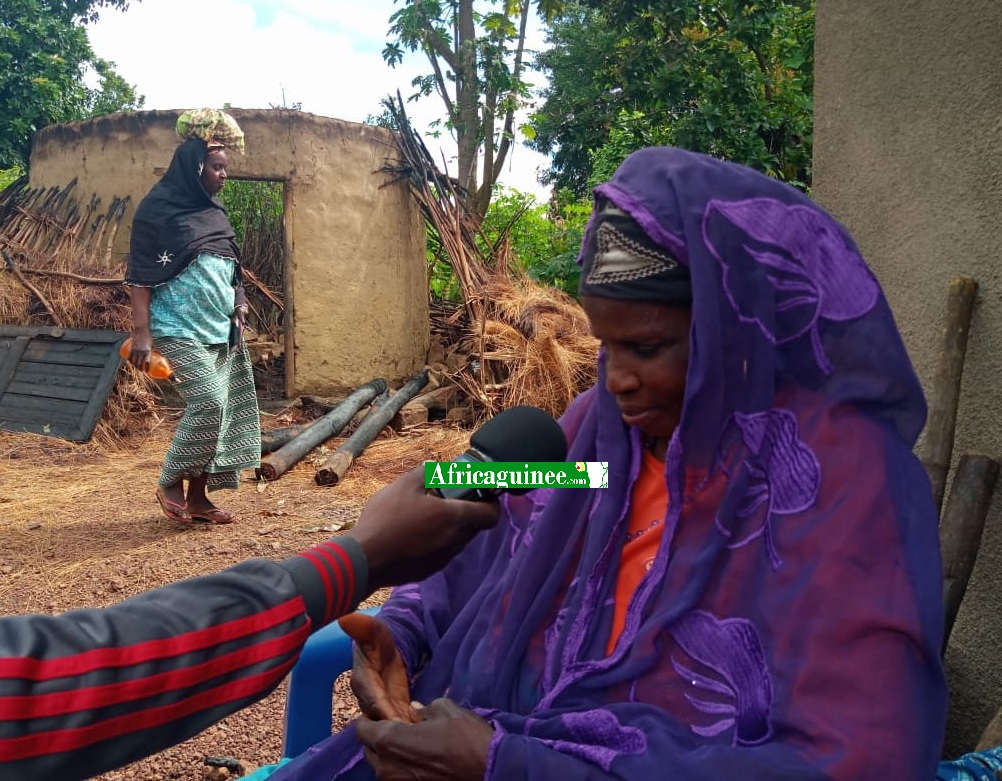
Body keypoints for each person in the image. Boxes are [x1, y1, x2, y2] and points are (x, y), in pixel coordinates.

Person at [255, 147, 949, 781]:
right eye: (606, 346)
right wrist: (403, 629)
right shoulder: (597, 445)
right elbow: (489, 527)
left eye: (647, 348)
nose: (616, 379)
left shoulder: (841, 483)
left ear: (732, 328)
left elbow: (864, 757)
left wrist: (511, 766)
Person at [0, 468, 499, 781]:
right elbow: (458, 571)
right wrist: (400, 632)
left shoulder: (563, 467)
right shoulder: (553, 469)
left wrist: (515, 764)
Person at [125, 108, 258, 525]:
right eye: (217, 167)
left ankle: (199, 498)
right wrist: (142, 334)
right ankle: (170, 480)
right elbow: (140, 275)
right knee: (209, 402)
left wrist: (239, 300)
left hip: (221, 330)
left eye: (226, 168)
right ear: (194, 166)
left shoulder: (214, 214)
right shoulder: (157, 210)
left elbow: (231, 266)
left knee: (223, 412)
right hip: (177, 327)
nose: (224, 175)